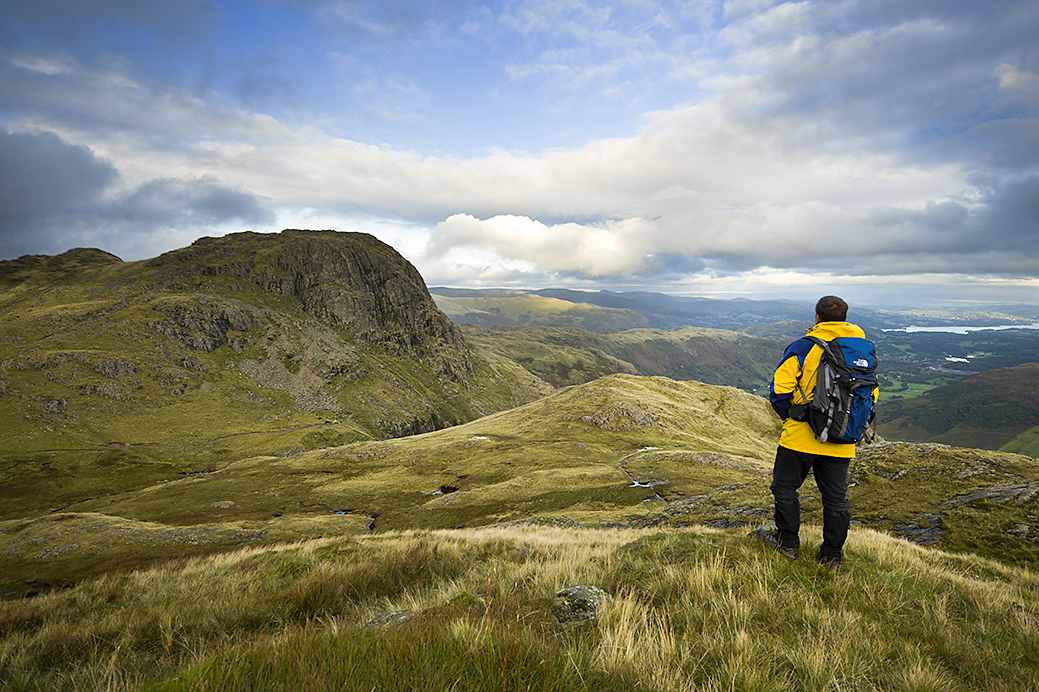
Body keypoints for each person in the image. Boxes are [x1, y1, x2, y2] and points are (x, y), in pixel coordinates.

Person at [758, 295, 875, 568]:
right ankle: (832, 556)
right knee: (835, 498)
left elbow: (780, 389)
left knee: (785, 488)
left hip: (800, 437)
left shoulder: (803, 346)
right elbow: (870, 395)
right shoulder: (863, 351)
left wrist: (793, 417)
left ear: (817, 317)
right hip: (842, 439)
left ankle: (788, 543)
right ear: (845, 318)